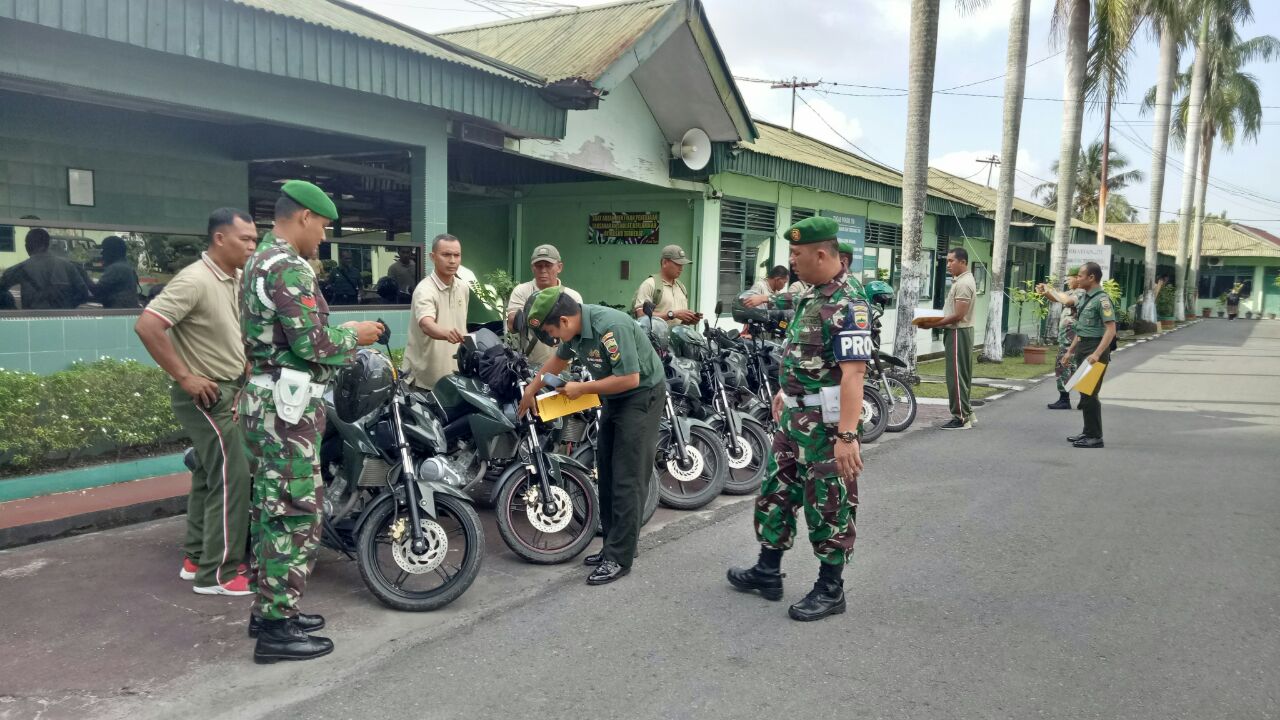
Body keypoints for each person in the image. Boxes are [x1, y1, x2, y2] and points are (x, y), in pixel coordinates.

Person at [239, 180, 384, 663]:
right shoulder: (286, 266)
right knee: (294, 511)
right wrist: (355, 334)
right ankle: (277, 630)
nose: (323, 235)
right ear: (302, 216)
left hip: (271, 401)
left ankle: (271, 610)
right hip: (286, 410)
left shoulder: (259, 261)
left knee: (271, 506)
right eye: (322, 225)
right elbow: (312, 345)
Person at [726, 216, 870, 622]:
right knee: (776, 493)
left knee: (828, 503)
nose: (791, 261)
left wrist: (847, 435)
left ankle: (830, 588)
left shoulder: (848, 303)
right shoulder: (812, 294)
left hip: (825, 428)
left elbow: (853, 374)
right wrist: (784, 392)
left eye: (796, 254)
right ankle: (767, 570)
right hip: (793, 418)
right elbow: (803, 355)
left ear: (821, 254)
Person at [136, 209, 259, 596]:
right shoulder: (194, 280)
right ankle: (218, 574)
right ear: (220, 239)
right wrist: (185, 376)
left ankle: (195, 557)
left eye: (255, 239)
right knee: (233, 475)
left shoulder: (234, 278)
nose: (252, 246)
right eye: (245, 239)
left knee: (209, 474)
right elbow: (148, 325)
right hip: (207, 395)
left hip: (230, 390)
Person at [518, 287, 665, 586]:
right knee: (607, 471)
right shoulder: (574, 332)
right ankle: (616, 545)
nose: (555, 339)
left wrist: (580, 389)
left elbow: (630, 378)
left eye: (552, 332)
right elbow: (555, 364)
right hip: (614, 397)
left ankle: (619, 558)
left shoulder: (610, 327)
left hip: (641, 396)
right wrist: (531, 389)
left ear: (564, 320)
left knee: (627, 476)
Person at [916, 248, 976, 430]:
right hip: (959, 331)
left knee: (955, 376)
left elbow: (958, 315)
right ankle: (967, 412)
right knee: (961, 375)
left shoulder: (964, 284)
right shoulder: (962, 281)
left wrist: (932, 324)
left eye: (951, 261)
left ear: (963, 262)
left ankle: (960, 418)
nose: (948, 265)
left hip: (958, 332)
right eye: (948, 261)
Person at [403, 234, 468, 390]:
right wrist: (446, 333)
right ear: (433, 257)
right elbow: (426, 324)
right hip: (425, 381)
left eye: (456, 255)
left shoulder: (463, 288)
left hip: (456, 377)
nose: (452, 260)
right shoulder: (425, 290)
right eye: (446, 255)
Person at [505, 245, 583, 366]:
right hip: (529, 365)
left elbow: (578, 333)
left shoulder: (572, 296)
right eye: (539, 266)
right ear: (532, 268)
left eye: (548, 265)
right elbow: (512, 325)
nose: (543, 270)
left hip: (563, 366)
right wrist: (527, 314)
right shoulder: (522, 291)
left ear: (559, 267)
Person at [1067, 262, 1117, 450]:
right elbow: (1082, 329)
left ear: (1091, 278)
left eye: (1080, 275)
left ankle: (1095, 436)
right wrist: (1071, 351)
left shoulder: (1102, 300)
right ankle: (1088, 431)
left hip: (1094, 349)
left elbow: (1111, 329)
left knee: (1090, 393)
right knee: (1084, 391)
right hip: (1084, 347)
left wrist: (1096, 354)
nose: (1077, 278)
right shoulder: (1087, 297)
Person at [0, 228, 92, 309]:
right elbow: (83, 294)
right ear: (48, 245)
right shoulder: (68, 266)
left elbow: (1, 288)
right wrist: (67, 307)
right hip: (63, 321)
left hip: (32, 321)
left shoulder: (20, 269)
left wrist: (11, 308)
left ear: (27, 247)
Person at [1037, 267, 1084, 410]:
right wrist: (1046, 292)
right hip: (1068, 339)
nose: (1067, 281)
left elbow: (1068, 301)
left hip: (1073, 339)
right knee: (1073, 368)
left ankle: (1067, 399)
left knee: (1065, 367)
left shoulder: (1081, 293)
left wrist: (1053, 291)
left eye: (1069, 278)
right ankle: (1082, 399)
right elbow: (1058, 298)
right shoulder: (1073, 292)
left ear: (1077, 277)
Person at [633, 244, 700, 326]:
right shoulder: (650, 284)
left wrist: (689, 319)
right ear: (665, 263)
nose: (681, 268)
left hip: (676, 337)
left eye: (682, 265)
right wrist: (672, 314)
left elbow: (679, 323)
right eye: (678, 264)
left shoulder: (681, 287)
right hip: (655, 337)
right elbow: (641, 316)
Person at [95, 235, 141, 308]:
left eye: (104, 250)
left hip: (117, 313)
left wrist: (83, 275)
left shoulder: (116, 268)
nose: (102, 254)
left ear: (112, 252)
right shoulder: (125, 266)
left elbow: (97, 292)